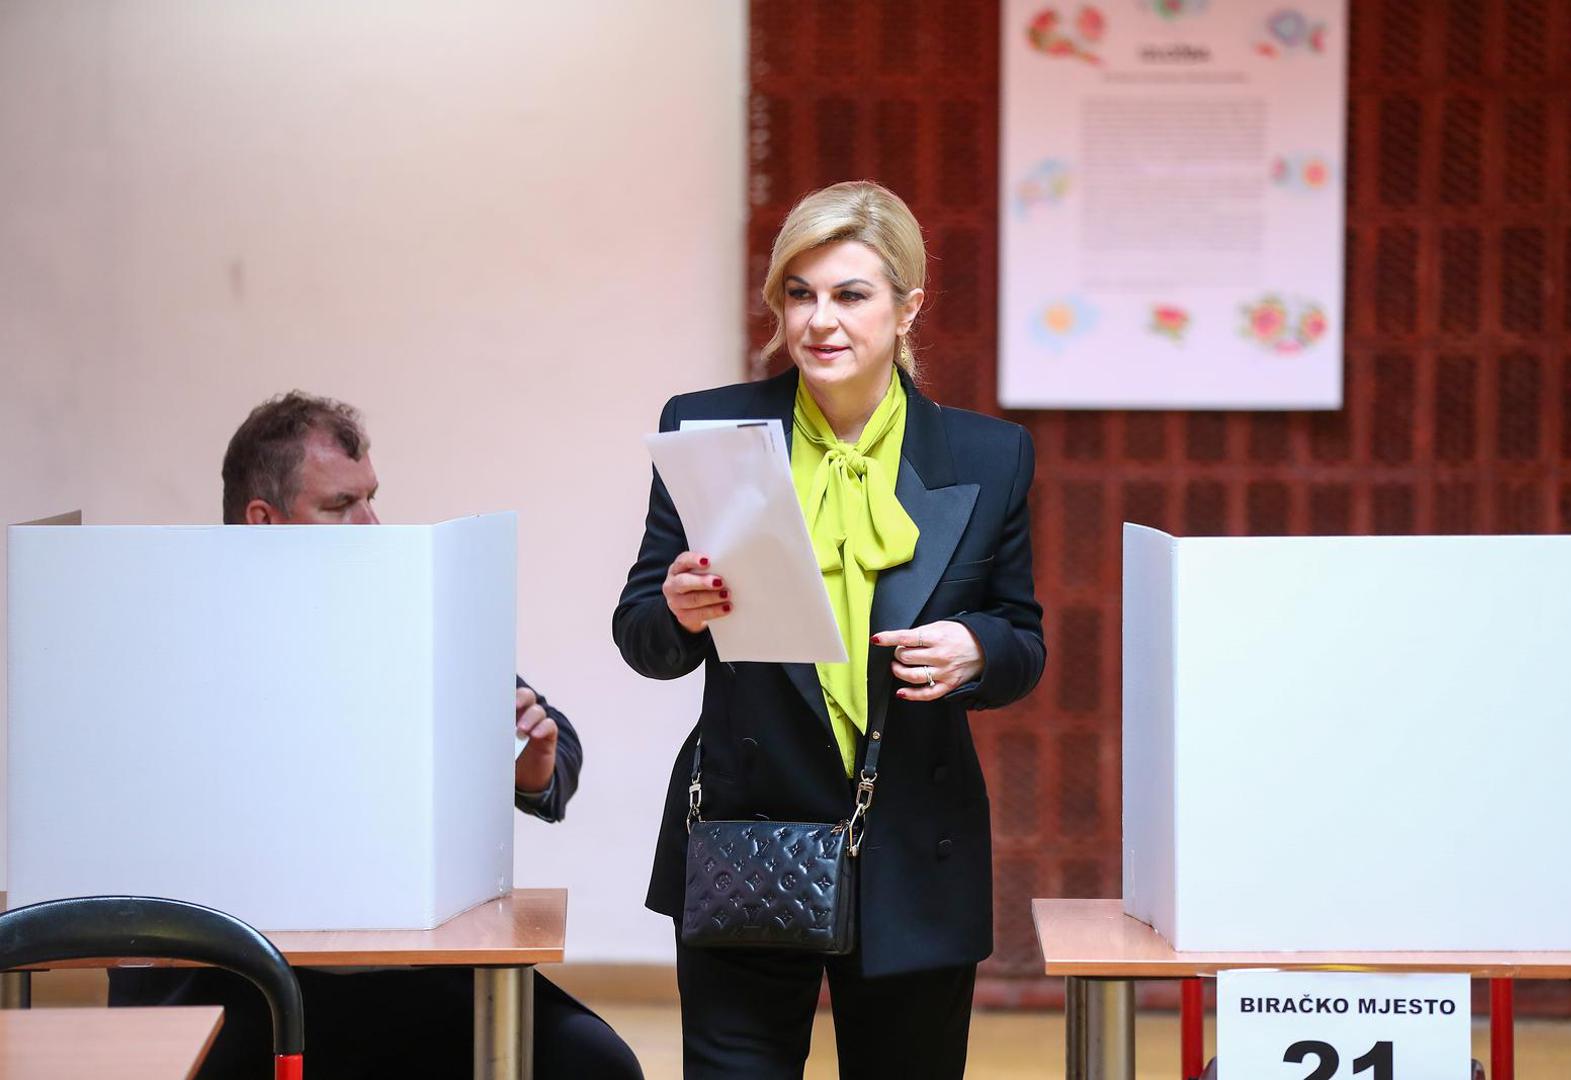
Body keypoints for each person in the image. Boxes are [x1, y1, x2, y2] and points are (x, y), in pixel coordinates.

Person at [613, 181, 1045, 1079]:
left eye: (850, 295)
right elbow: (643, 636)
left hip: (913, 845)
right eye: (798, 294)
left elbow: (1022, 641)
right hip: (746, 830)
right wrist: (681, 611)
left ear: (906, 307)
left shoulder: (987, 455)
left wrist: (977, 651)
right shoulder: (708, 430)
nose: (820, 320)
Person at [110, 392, 642, 1080]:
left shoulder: (410, 612)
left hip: (399, 973)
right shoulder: (173, 644)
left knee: (595, 1065)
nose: (373, 525)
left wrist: (530, 766)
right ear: (262, 522)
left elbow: (553, 746)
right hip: (228, 974)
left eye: (371, 499)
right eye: (338, 508)